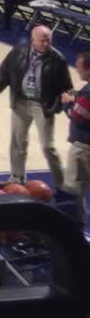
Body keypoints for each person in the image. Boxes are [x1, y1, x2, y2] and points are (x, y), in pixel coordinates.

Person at [0, 24, 70, 186]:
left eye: (49, 40)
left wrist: (66, 101)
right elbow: (4, 74)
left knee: (48, 147)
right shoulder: (18, 52)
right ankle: (17, 179)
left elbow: (67, 86)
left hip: (43, 106)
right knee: (18, 142)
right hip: (21, 102)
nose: (46, 44)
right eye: (42, 41)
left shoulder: (57, 59)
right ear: (33, 40)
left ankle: (61, 184)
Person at [62, 51, 90, 211]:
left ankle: (71, 229)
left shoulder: (88, 92)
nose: (76, 69)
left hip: (83, 148)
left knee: (73, 191)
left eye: (79, 66)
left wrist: (67, 103)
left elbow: (78, 115)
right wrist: (78, 96)